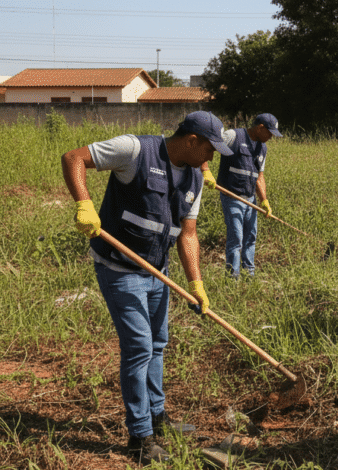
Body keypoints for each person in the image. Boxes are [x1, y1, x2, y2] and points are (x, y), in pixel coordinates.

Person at [62, 111, 233, 465]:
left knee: (158, 344)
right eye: (209, 149)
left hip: (158, 271)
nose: (212, 158)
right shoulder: (135, 149)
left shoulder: (195, 181)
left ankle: (158, 417)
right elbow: (73, 158)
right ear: (190, 141)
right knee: (139, 347)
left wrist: (196, 283)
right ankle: (140, 437)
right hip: (120, 268)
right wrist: (84, 203)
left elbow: (188, 235)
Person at [200, 113, 282, 279]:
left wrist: (264, 200)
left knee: (251, 237)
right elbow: (206, 143)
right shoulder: (234, 136)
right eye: (270, 133)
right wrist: (206, 171)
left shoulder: (262, 148)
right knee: (236, 238)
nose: (271, 138)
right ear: (260, 128)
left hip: (250, 198)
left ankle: (249, 274)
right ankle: (233, 278)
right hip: (232, 197)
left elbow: (259, 176)